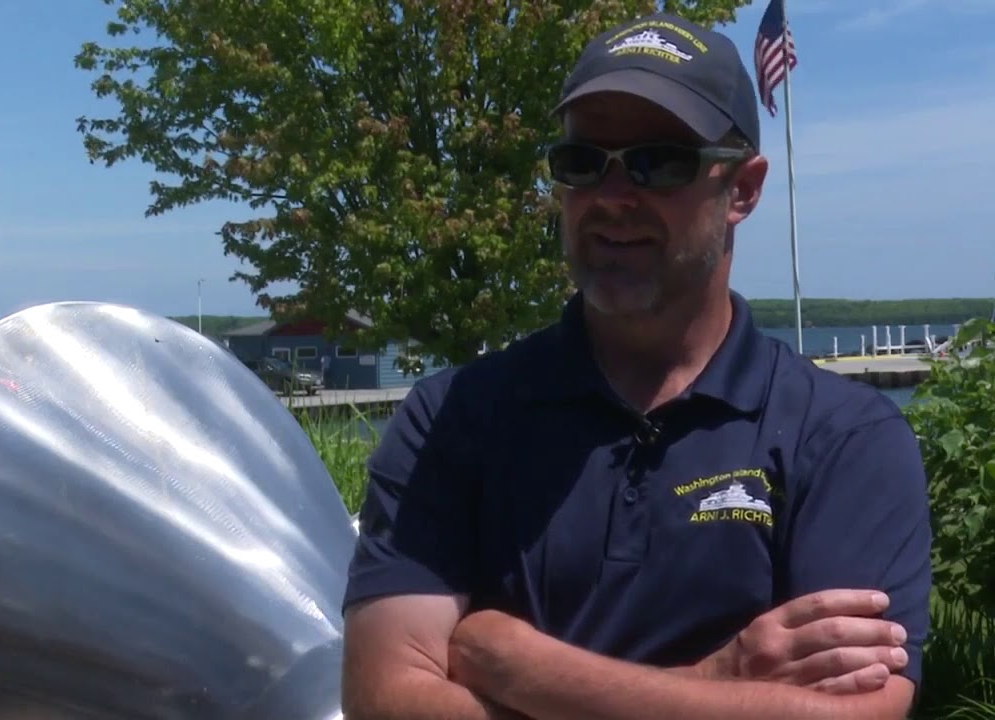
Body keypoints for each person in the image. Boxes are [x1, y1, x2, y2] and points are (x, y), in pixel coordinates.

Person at [340, 11, 931, 720]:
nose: (613, 196)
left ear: (743, 189)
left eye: (660, 161)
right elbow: (385, 700)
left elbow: (858, 714)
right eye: (582, 162)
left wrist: (516, 661)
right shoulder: (451, 419)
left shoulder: (843, 438)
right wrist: (717, 677)